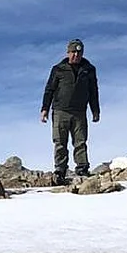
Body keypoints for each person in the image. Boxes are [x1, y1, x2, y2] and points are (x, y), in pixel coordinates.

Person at [40, 38, 100, 182]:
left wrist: (95, 110)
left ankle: (82, 169)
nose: (76, 56)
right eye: (73, 52)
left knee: (80, 142)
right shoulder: (58, 69)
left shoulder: (89, 69)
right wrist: (45, 109)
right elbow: (49, 89)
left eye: (79, 53)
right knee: (60, 142)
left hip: (80, 112)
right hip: (60, 111)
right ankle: (60, 171)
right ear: (68, 52)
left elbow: (93, 91)